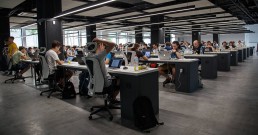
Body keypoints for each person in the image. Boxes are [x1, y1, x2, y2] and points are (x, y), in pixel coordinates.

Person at [87, 38, 120, 103]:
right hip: (105, 84)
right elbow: (113, 44)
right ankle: (112, 98)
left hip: (94, 84)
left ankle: (110, 97)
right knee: (119, 80)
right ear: (99, 46)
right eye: (101, 45)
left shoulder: (89, 56)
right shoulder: (99, 56)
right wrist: (100, 40)